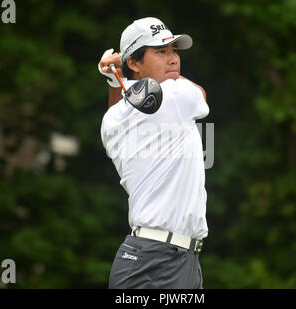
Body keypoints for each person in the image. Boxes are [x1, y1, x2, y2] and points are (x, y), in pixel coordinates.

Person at [98, 17, 209, 289]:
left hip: (169, 259)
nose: (173, 59)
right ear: (134, 63)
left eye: (174, 51)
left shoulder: (110, 122)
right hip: (156, 261)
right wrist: (120, 75)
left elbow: (118, 108)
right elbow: (202, 94)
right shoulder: (177, 94)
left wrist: (116, 79)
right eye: (161, 52)